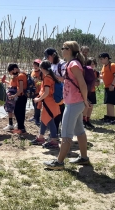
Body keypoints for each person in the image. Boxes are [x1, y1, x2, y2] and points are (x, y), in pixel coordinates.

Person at [44, 41, 90, 170]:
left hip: (74, 103)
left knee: (66, 134)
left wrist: (85, 100)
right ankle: (84, 158)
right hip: (75, 102)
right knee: (79, 131)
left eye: (63, 48)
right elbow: (70, 81)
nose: (61, 50)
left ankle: (59, 163)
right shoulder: (70, 64)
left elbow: (82, 84)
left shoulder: (73, 64)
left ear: (69, 50)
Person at [31, 60, 61, 149]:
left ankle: (54, 141)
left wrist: (38, 99)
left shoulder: (47, 78)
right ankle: (41, 137)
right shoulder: (52, 77)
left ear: (42, 68)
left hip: (49, 103)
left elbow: (46, 92)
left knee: (50, 121)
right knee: (45, 120)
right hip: (51, 103)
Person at [44, 48, 66, 135]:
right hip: (52, 93)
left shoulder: (63, 64)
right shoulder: (51, 65)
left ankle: (62, 131)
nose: (47, 59)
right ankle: (56, 131)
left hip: (60, 93)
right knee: (55, 112)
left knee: (60, 111)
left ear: (53, 55)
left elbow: (65, 79)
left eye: (48, 57)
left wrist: (53, 77)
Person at [99, 52, 115, 124]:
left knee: (110, 102)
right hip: (107, 87)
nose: (100, 61)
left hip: (113, 87)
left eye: (102, 59)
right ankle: (108, 117)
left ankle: (112, 118)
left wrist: (112, 85)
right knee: (108, 102)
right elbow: (103, 76)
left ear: (106, 58)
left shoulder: (113, 65)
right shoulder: (104, 66)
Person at [7, 63, 28, 134]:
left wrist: (14, 95)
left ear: (15, 69)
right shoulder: (24, 73)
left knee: (17, 111)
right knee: (21, 112)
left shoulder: (20, 76)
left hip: (21, 96)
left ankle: (21, 128)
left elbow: (21, 89)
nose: (12, 74)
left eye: (12, 71)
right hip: (23, 96)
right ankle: (21, 127)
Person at [83, 57, 98, 129]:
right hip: (86, 91)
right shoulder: (85, 71)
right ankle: (83, 120)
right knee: (86, 106)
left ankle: (88, 120)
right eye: (91, 64)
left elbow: (98, 81)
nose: (92, 66)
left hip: (92, 91)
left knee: (91, 106)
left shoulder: (96, 72)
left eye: (93, 64)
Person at [30, 59, 43, 126]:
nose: (35, 66)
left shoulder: (41, 72)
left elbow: (43, 82)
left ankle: (37, 119)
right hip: (33, 91)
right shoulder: (32, 72)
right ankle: (35, 116)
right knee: (34, 104)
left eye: (37, 65)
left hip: (39, 91)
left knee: (38, 106)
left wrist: (38, 81)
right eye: (34, 65)